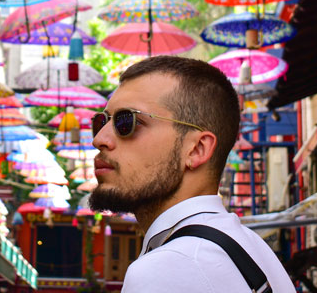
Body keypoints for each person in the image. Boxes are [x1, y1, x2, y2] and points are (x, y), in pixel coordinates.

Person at [90, 56, 295, 292]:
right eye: (101, 121)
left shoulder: (171, 266)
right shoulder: (252, 249)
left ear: (197, 149)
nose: (99, 139)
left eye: (126, 122)